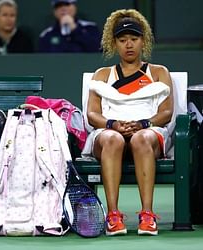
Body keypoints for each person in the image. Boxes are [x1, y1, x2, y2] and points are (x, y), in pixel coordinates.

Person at [83, 9, 173, 236]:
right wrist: (112, 124)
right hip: (109, 132)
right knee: (112, 139)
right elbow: (92, 114)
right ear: (114, 43)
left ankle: (147, 214)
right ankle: (113, 215)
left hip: (147, 132)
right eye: (123, 40)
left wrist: (144, 124)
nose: (129, 45)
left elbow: (167, 112)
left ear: (143, 41)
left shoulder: (159, 72)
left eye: (134, 39)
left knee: (142, 139)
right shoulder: (102, 74)